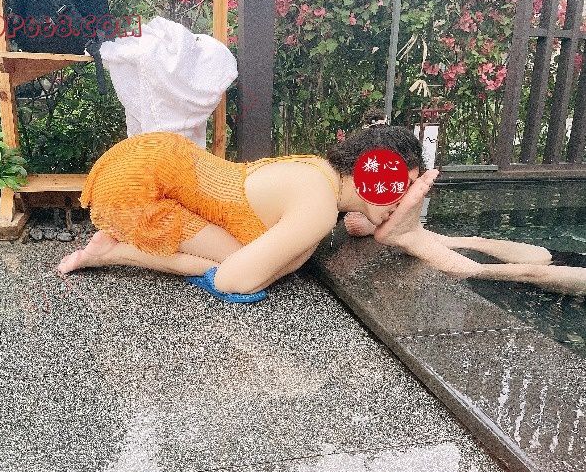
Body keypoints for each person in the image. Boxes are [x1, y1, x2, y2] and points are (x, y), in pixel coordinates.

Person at [58, 126, 586, 298]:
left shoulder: (322, 178)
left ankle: (115, 245)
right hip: (140, 183)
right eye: (401, 193)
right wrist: (290, 261)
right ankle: (115, 251)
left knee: (267, 256)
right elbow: (235, 282)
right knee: (245, 268)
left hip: (160, 163)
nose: (402, 204)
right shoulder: (316, 207)